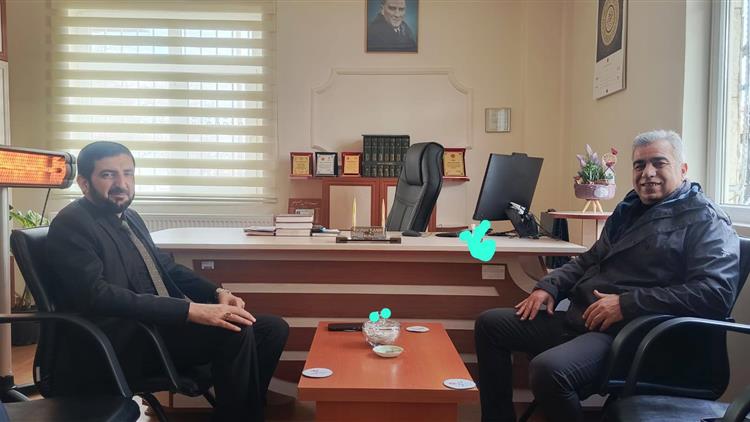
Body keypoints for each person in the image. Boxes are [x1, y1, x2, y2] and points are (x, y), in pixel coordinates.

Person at [474, 130, 740, 422]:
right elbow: (590, 259)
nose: (647, 173)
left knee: (549, 371)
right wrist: (549, 286)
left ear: (683, 169)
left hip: (638, 335)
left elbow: (715, 293)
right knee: (491, 325)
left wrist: (626, 304)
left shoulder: (706, 219)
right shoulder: (630, 209)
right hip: (587, 318)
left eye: (659, 163)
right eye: (639, 165)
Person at [47, 141, 289, 422]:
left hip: (157, 329)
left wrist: (217, 292)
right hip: (123, 341)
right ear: (84, 183)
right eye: (108, 175)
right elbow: (97, 295)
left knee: (272, 329)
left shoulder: (130, 217)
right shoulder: (73, 224)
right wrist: (191, 310)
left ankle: (243, 412)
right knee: (234, 331)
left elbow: (167, 268)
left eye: (128, 173)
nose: (121, 184)